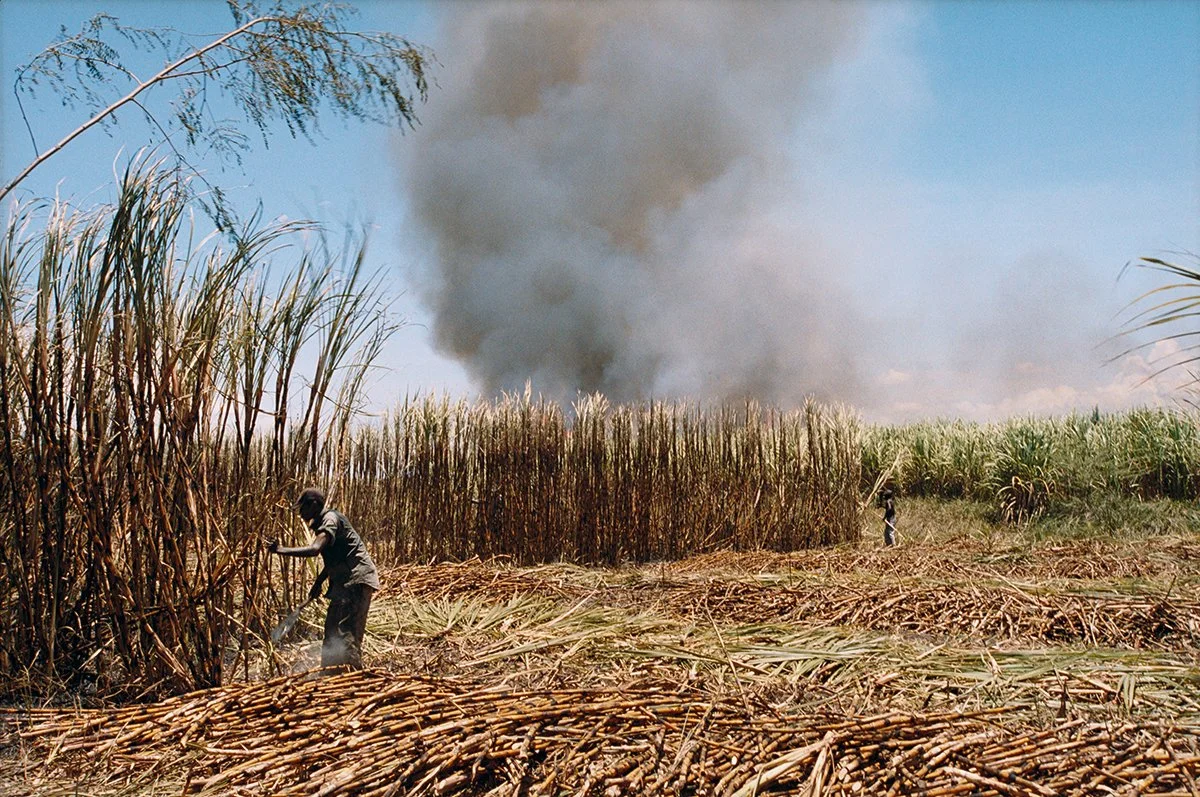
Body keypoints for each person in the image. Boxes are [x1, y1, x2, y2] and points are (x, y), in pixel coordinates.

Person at [268, 488, 380, 668]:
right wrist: (319, 582)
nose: (301, 513)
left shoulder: (331, 519)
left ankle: (354, 680)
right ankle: (329, 676)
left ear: (314, 505)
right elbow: (334, 558)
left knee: (346, 634)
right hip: (343, 583)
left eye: (303, 508)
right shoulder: (324, 523)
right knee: (331, 632)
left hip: (356, 580)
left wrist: (280, 550)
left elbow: (315, 549)